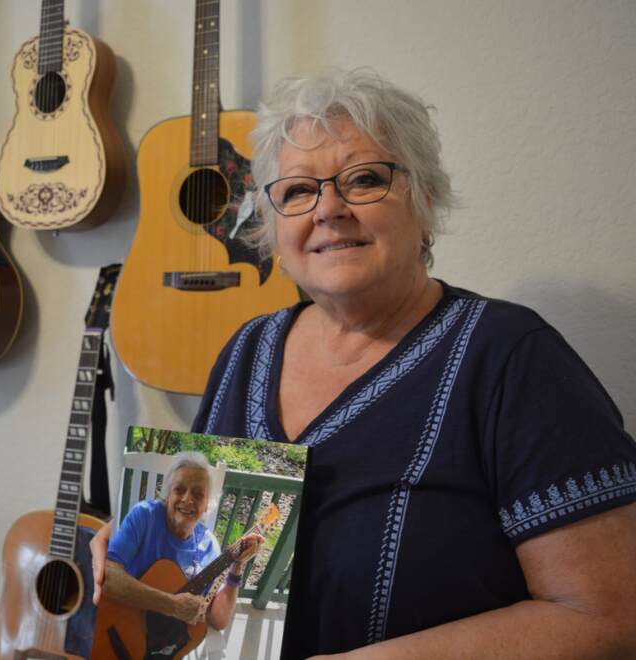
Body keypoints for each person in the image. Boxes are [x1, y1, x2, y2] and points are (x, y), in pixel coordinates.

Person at [94, 68, 636, 659]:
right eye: (298, 191)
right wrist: (127, 554)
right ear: (271, 229)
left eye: (365, 179)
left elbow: (607, 617)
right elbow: (205, 549)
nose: (329, 208)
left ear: (426, 204)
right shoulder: (247, 350)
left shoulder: (510, 356)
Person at [100, 451, 263, 634]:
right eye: (179, 490)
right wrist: (171, 605)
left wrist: (237, 566)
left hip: (162, 641)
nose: (187, 499)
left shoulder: (209, 546)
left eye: (198, 494)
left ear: (207, 504)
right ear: (168, 494)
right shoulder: (145, 516)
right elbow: (108, 577)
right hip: (118, 626)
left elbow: (218, 621)